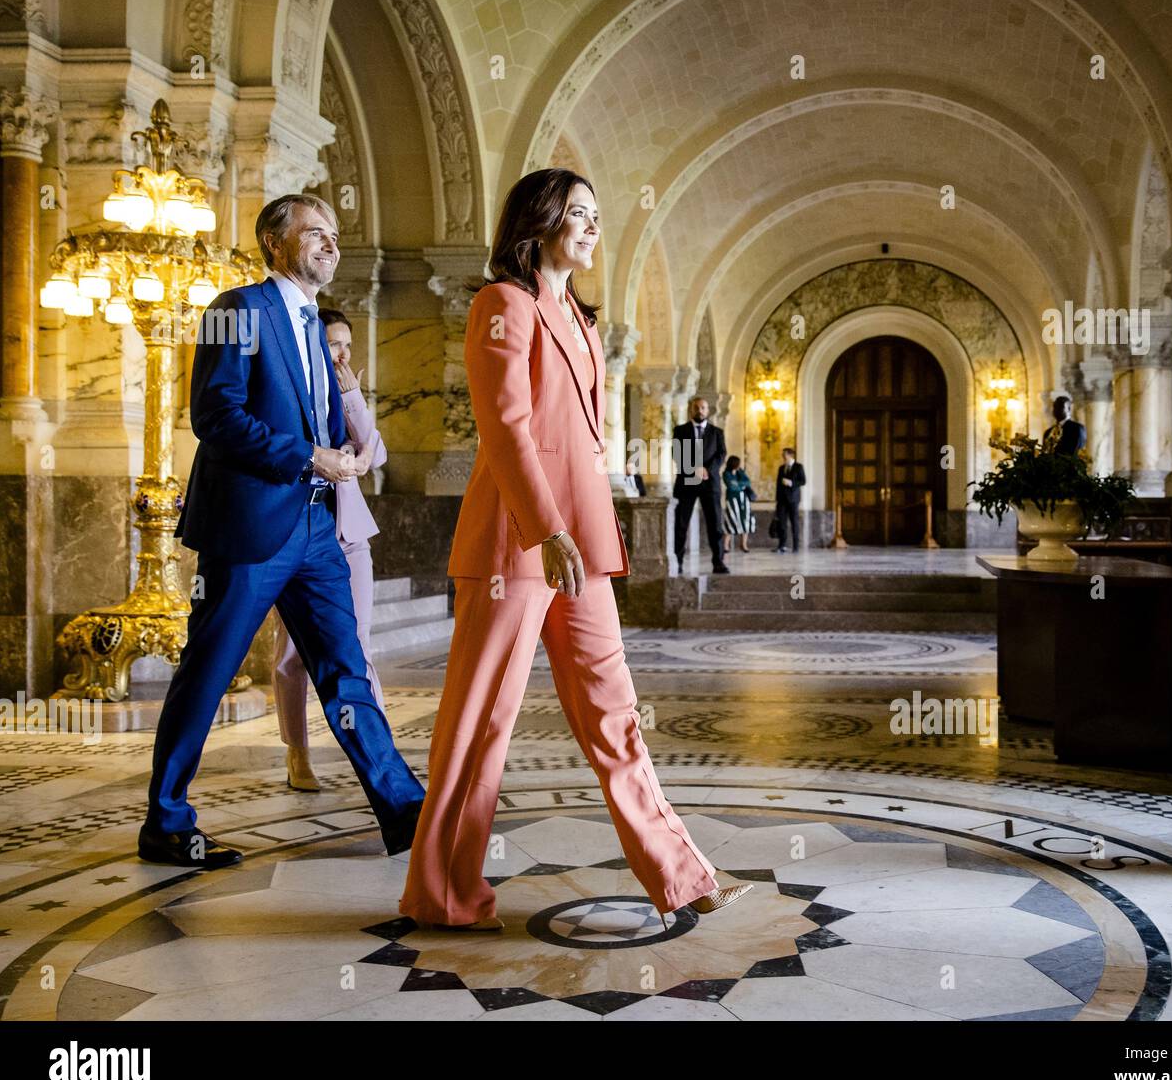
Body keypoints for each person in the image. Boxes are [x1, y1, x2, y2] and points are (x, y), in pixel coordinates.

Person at [399, 168, 751, 930]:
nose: (593, 227)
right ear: (541, 220)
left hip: (580, 546)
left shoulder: (585, 323)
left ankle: (682, 875)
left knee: (615, 713)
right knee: (481, 722)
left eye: (598, 214)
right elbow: (505, 426)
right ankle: (446, 893)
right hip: (515, 544)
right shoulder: (503, 304)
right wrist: (545, 528)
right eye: (579, 214)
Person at [139, 194, 425, 869]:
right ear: (275, 242)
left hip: (316, 531)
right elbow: (216, 416)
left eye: (334, 235)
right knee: (207, 674)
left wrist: (338, 456)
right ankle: (167, 822)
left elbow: (317, 422)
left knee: (347, 671)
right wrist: (309, 457)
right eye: (314, 234)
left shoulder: (313, 329)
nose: (330, 244)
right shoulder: (236, 310)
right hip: (248, 530)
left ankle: (405, 811)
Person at [272, 307, 386, 793]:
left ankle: (380, 757)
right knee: (292, 655)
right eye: (332, 344)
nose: (340, 354)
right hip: (294, 531)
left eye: (346, 345)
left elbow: (374, 453)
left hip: (349, 536)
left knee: (357, 648)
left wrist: (354, 399)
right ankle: (297, 753)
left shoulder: (345, 394)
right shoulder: (289, 391)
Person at [671, 396, 729, 575]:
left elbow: (721, 454)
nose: (700, 410)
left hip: (710, 483)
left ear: (708, 410)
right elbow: (676, 453)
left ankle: (718, 562)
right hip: (687, 482)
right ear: (691, 409)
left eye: (703, 407)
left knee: (715, 524)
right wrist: (693, 469)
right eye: (696, 407)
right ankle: (678, 561)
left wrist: (706, 469)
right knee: (681, 524)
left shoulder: (717, 432)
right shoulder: (680, 430)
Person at [774, 447, 806, 552]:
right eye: (782, 454)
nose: (782, 456)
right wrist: (777, 500)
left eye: (784, 454)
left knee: (794, 523)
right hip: (782, 500)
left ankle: (796, 547)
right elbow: (778, 485)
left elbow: (803, 481)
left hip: (793, 499)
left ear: (790, 455)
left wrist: (791, 483)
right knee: (782, 524)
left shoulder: (798, 467)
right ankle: (782, 545)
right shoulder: (781, 468)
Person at [722, 455, 755, 554]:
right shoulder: (726, 474)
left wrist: (739, 484)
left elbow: (747, 482)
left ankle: (743, 544)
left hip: (744, 500)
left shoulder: (740, 472)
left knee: (746, 520)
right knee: (731, 520)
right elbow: (731, 486)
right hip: (732, 500)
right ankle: (725, 546)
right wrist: (742, 485)